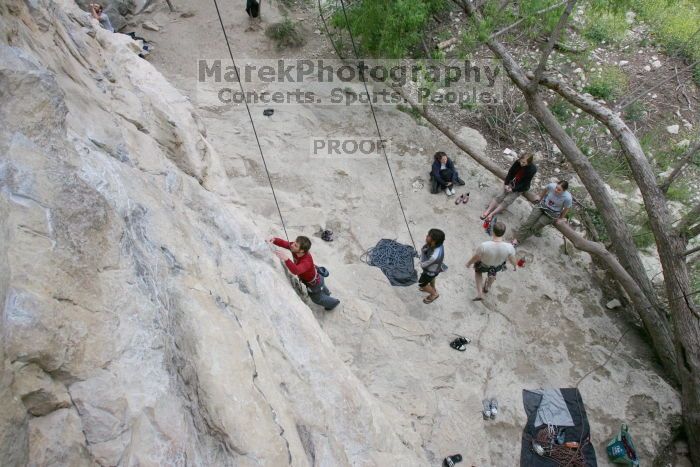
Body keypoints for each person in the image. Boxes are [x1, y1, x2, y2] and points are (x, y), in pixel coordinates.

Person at [269, 235, 340, 311]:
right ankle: (327, 294)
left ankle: (333, 303)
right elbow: (285, 244)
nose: (292, 245)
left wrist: (286, 259)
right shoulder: (296, 249)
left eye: (295, 245)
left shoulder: (306, 261)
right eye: (294, 242)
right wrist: (274, 240)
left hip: (314, 283)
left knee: (317, 299)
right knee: (322, 287)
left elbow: (295, 271)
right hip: (317, 277)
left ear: (302, 250)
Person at [465, 221, 517, 301]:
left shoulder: (484, 245)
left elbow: (476, 257)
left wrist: (469, 263)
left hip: (484, 264)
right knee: (493, 274)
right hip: (497, 266)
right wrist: (514, 266)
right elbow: (512, 259)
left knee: (478, 272)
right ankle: (487, 287)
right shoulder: (509, 247)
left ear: (493, 231)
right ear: (503, 233)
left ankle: (480, 293)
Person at [512, 180, 572, 246]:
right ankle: (517, 240)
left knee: (535, 227)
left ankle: (519, 239)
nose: (556, 190)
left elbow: (567, 208)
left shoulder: (567, 198)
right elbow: (545, 189)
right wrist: (540, 197)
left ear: (564, 190)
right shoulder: (552, 186)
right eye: (556, 187)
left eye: (559, 190)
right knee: (528, 223)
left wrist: (561, 218)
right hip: (542, 206)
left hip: (552, 214)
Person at [481, 153, 537, 221]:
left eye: (524, 162)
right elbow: (510, 172)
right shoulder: (518, 162)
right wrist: (506, 184)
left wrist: (513, 189)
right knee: (500, 195)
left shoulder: (532, 169)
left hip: (520, 187)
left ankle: (492, 214)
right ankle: (488, 211)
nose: (521, 163)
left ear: (529, 163)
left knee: (507, 201)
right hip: (512, 182)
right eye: (521, 161)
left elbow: (525, 183)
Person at [418, 229, 445, 304]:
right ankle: (432, 288)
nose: (426, 236)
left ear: (434, 241)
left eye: (429, 236)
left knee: (422, 284)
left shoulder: (434, 257)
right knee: (432, 277)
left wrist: (423, 253)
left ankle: (434, 294)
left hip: (429, 271)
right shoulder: (439, 245)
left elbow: (423, 264)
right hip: (435, 269)